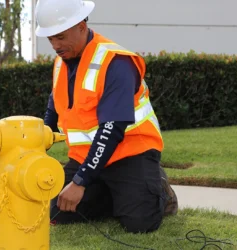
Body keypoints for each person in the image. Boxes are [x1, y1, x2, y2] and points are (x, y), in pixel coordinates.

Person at [35, 0, 178, 233]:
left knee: (139, 223)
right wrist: (38, 146)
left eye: (60, 37)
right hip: (86, 158)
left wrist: (80, 181)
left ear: (81, 26)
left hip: (130, 153)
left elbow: (112, 128)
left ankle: (160, 190)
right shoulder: (61, 63)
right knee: (56, 211)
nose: (55, 45)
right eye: (50, 39)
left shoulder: (116, 62)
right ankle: (115, 194)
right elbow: (54, 108)